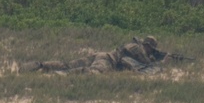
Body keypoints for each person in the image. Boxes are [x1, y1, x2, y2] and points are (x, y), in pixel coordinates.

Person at [33, 36, 168, 74]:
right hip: (108, 60)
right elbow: (146, 64)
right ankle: (63, 74)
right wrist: (162, 61)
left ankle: (41, 65)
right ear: (149, 46)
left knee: (67, 63)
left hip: (101, 55)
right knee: (94, 72)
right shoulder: (138, 49)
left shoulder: (133, 46)